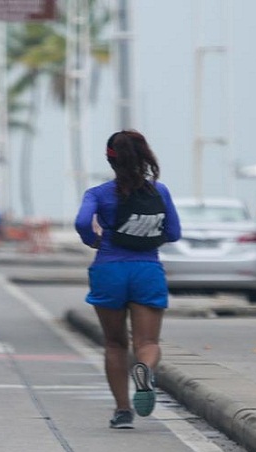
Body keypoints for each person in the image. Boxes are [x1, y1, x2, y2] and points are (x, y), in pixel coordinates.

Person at [74, 130, 181, 429]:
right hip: (147, 270)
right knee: (147, 341)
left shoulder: (97, 194)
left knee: (115, 343)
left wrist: (93, 239)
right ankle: (144, 370)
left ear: (111, 160)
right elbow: (173, 233)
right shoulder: (160, 192)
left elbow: (82, 222)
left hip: (108, 270)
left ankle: (122, 411)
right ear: (145, 156)